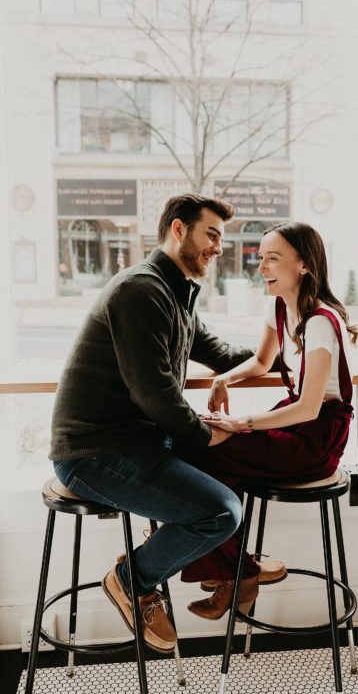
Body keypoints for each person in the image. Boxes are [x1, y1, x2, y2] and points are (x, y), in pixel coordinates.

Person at [49, 193, 256, 653]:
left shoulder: (175, 293)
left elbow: (221, 354)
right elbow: (154, 392)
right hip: (94, 455)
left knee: (242, 458)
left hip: (137, 443)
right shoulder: (141, 290)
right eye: (212, 234)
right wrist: (204, 432)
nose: (219, 247)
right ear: (178, 229)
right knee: (222, 511)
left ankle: (232, 568)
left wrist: (286, 346)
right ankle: (132, 579)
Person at [177, 221, 358, 620]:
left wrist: (242, 422)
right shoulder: (278, 305)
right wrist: (224, 377)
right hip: (296, 421)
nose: (260, 267)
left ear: (304, 265)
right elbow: (262, 360)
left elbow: (310, 408)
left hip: (318, 437)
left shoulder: (320, 323)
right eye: (261, 258)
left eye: (272, 258)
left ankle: (223, 565)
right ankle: (235, 569)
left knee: (205, 450)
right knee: (209, 454)